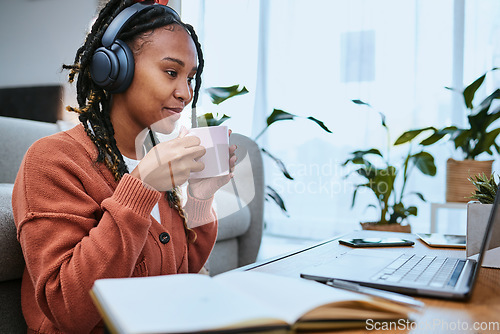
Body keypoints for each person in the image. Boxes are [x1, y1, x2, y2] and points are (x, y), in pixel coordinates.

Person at [12, 0, 236, 333]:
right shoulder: (52, 159)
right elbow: (69, 309)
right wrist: (141, 187)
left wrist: (201, 199)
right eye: (171, 72)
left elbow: (182, 272)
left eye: (191, 77)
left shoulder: (156, 159)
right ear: (115, 69)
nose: (186, 92)